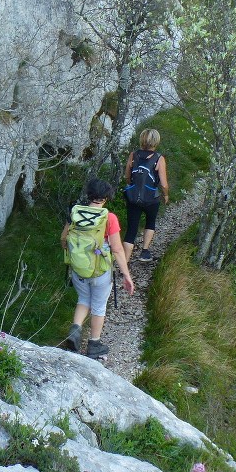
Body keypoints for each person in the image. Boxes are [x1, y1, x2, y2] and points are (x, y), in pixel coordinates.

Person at [60, 178, 134, 362]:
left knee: (83, 299)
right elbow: (117, 249)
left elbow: (63, 239)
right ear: (106, 198)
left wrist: (77, 256)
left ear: (89, 195)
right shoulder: (109, 218)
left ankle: (75, 330)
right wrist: (126, 275)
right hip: (100, 271)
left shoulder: (75, 212)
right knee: (99, 306)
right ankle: (94, 344)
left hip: (78, 269)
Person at [123, 128, 170, 263]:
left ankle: (124, 263)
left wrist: (132, 186)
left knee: (131, 229)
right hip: (151, 199)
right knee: (150, 221)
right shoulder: (159, 158)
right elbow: (164, 184)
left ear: (142, 139)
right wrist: (166, 196)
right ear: (156, 141)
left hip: (133, 198)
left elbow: (127, 175)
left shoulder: (133, 155)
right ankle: (144, 252)